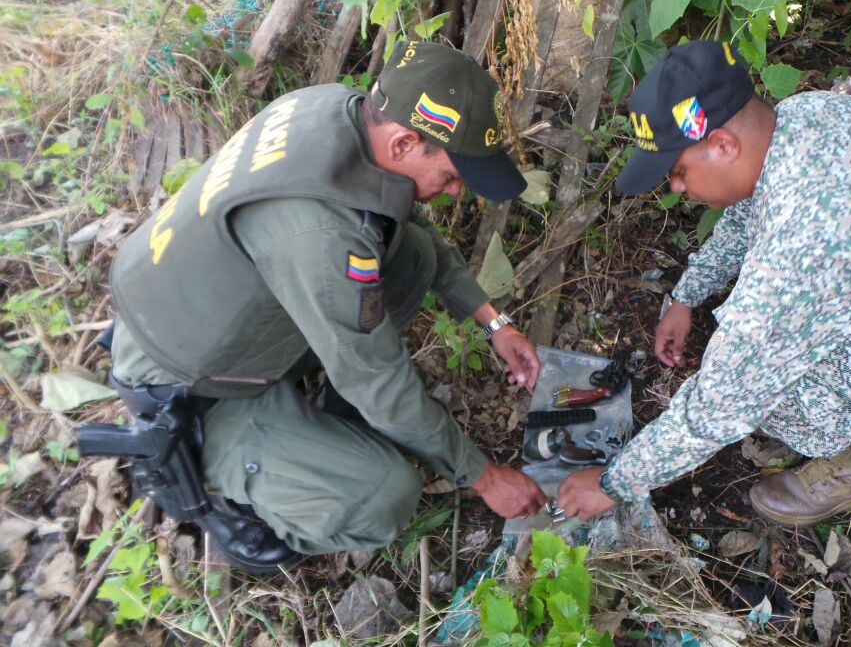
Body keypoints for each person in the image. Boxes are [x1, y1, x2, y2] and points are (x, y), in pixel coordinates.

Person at [556, 40, 851, 526]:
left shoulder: (813, 236)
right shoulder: (804, 114)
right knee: (766, 341)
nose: (677, 188)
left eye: (678, 171)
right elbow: (749, 210)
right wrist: (687, 295)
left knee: (768, 384)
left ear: (723, 145)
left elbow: (724, 400)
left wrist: (614, 483)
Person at [102, 42, 548, 573]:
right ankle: (229, 493)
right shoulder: (321, 236)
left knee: (414, 254)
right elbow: (376, 380)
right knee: (385, 494)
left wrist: (493, 321)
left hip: (207, 317)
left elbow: (410, 226)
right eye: (452, 177)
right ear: (406, 143)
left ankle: (318, 430)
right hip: (193, 389)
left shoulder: (335, 110)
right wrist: (484, 476)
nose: (453, 192)